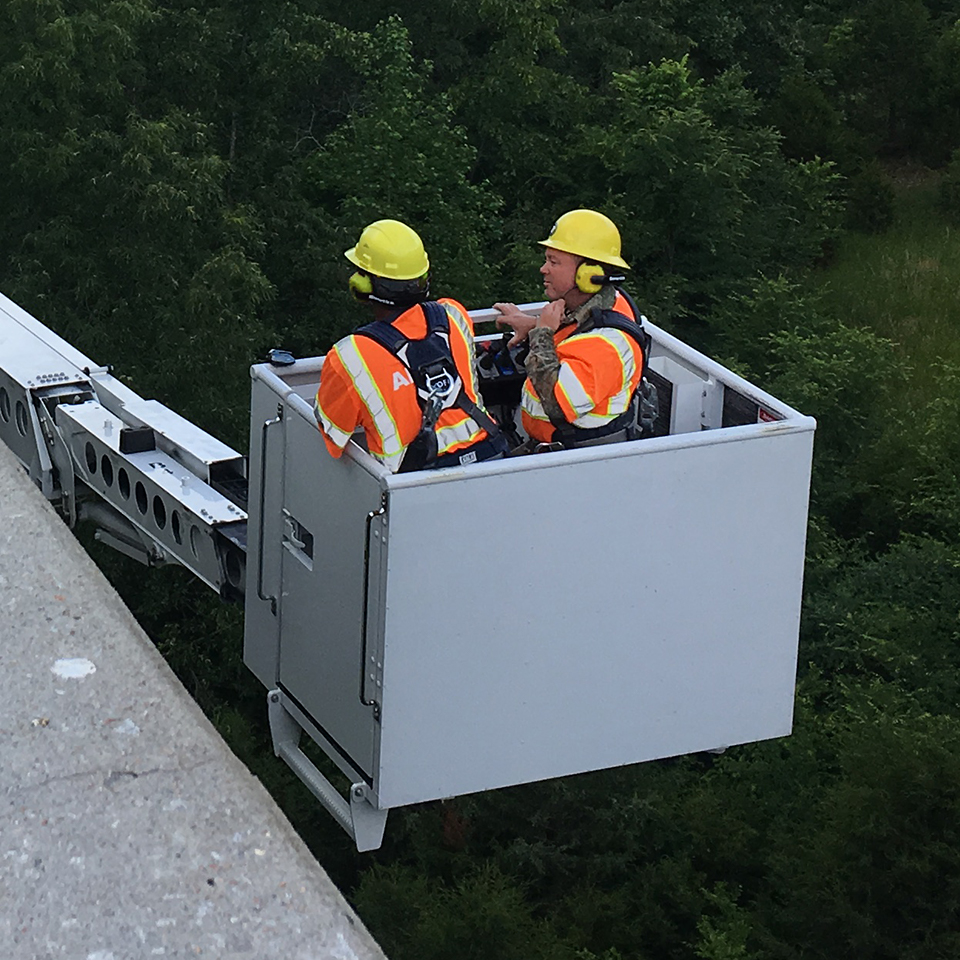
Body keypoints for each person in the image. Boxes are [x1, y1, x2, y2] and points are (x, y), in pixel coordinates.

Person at [314, 219, 507, 473]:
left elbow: (333, 436)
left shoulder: (350, 357)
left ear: (364, 286)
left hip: (413, 488)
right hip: (494, 459)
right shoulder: (453, 315)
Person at [494, 209, 648, 449]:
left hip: (577, 462)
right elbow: (576, 333)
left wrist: (542, 335)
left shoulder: (607, 343)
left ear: (589, 274)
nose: (543, 269)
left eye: (553, 261)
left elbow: (555, 402)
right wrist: (533, 325)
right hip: (560, 450)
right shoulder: (602, 302)